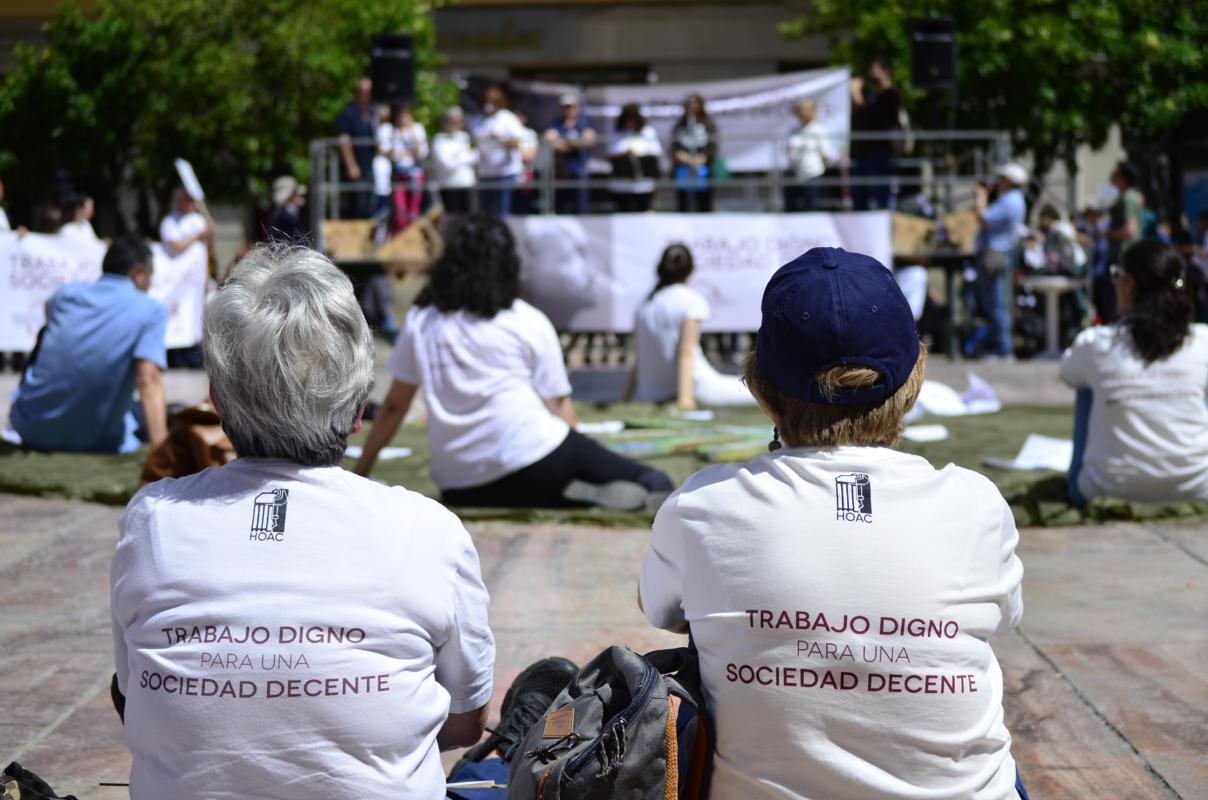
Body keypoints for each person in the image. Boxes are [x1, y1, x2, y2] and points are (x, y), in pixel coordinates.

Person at [639, 246, 1026, 800]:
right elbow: (1001, 617)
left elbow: (661, 610)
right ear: (915, 376)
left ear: (758, 384)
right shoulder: (977, 504)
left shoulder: (703, 504)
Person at [110, 244, 494, 800]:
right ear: (360, 407)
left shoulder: (151, 520)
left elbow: (135, 699)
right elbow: (464, 722)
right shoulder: (428, 529)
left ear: (215, 401)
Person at [355, 213, 672, 510]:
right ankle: (578, 485)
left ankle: (567, 491)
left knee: (521, 482)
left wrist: (361, 471)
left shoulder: (422, 321)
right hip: (535, 456)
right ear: (508, 263)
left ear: (448, 263)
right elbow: (559, 407)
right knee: (651, 478)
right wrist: (579, 455)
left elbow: (394, 407)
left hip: (461, 485)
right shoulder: (526, 320)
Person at [1062, 240, 1208, 507]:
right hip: (1199, 485)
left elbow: (1068, 374)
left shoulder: (1096, 343)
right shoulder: (1202, 341)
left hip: (1103, 487)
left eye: (1116, 276)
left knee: (1086, 387)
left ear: (1129, 285)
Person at [9, 237, 167, 453]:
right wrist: (162, 451)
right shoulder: (151, 310)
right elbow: (148, 379)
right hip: (92, 440)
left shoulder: (65, 295)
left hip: (29, 427)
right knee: (133, 415)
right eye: (150, 277)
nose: (150, 284)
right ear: (138, 274)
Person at [626, 243, 755, 407]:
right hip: (697, 388)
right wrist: (685, 400)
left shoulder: (644, 304)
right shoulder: (690, 300)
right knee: (761, 391)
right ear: (690, 271)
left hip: (652, 394)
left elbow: (639, 357)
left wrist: (626, 398)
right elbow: (686, 352)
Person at [974, 162, 1028, 359]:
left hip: (996, 254)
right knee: (997, 302)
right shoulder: (1014, 199)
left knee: (996, 302)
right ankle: (1001, 346)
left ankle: (1003, 349)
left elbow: (983, 217)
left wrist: (980, 197)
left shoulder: (1010, 201)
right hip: (1001, 253)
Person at [850, 59, 902, 211]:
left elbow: (872, 117)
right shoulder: (873, 96)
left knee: (881, 197)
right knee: (859, 196)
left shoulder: (891, 94)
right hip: (864, 152)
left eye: (876, 69)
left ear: (886, 72)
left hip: (880, 152)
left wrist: (856, 94)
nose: (872, 73)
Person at [1098, 162, 1144, 323]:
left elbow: (1129, 230)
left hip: (1121, 258)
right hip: (1124, 257)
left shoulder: (1127, 198)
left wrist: (1107, 233)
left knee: (1115, 300)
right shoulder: (1131, 196)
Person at [474, 84, 527, 216]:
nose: (489, 104)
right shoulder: (480, 119)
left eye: (492, 101)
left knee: (502, 211)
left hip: (504, 173)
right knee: (484, 212)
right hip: (485, 173)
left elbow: (518, 143)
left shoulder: (507, 118)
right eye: (487, 100)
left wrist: (501, 139)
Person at [544, 93, 597, 215]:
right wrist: (577, 143)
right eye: (566, 107)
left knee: (580, 208)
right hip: (561, 174)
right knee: (560, 208)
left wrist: (565, 143)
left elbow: (589, 139)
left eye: (571, 107)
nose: (569, 110)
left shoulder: (583, 124)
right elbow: (552, 143)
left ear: (577, 108)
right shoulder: (555, 124)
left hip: (579, 173)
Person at [608, 102, 662, 213]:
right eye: (628, 120)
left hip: (643, 184)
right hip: (622, 185)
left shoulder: (648, 132)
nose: (631, 123)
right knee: (622, 213)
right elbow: (610, 152)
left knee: (644, 211)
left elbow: (656, 151)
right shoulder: (617, 133)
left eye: (633, 120)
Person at [335, 76, 376, 218]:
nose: (368, 95)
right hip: (357, 168)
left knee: (370, 204)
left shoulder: (371, 113)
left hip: (370, 166)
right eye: (364, 92)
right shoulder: (348, 113)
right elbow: (343, 140)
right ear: (357, 93)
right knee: (358, 205)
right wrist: (351, 165)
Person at [784, 98, 835, 212]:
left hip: (813, 174)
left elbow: (827, 153)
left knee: (811, 208)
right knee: (791, 208)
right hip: (794, 174)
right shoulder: (794, 131)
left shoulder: (819, 130)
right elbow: (788, 151)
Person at [671, 93, 719, 212]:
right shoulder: (680, 125)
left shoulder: (708, 125)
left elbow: (713, 147)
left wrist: (702, 159)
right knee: (683, 202)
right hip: (683, 168)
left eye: (695, 105)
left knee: (703, 202)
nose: (693, 108)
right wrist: (685, 158)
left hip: (702, 169)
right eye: (690, 105)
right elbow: (673, 147)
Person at [430, 106, 478, 214]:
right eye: (454, 121)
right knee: (452, 218)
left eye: (460, 121)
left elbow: (475, 156)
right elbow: (446, 164)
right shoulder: (439, 140)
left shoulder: (464, 137)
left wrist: (457, 158)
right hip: (449, 186)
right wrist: (464, 157)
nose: (458, 124)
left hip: (466, 184)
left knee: (468, 217)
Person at [390, 102, 429, 229]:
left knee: (414, 209)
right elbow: (395, 155)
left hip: (415, 173)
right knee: (400, 208)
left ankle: (412, 236)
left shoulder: (417, 128)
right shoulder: (394, 131)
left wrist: (411, 132)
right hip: (399, 174)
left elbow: (421, 152)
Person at [160, 187, 212, 257]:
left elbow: (208, 244)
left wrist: (209, 232)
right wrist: (199, 236)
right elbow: (176, 247)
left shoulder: (199, 219)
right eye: (188, 199)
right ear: (180, 200)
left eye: (193, 199)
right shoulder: (169, 221)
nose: (192, 202)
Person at [265, 176, 309, 245]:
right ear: (290, 196)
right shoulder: (284, 215)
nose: (301, 198)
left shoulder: (287, 213)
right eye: (296, 194)